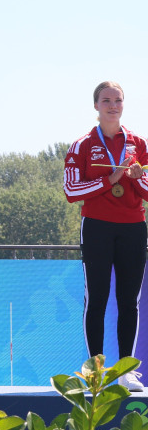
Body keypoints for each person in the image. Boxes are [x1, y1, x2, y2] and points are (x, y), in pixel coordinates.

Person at [64, 81, 148, 391]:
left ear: (123, 105)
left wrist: (137, 179)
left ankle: (126, 371)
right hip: (97, 226)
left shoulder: (139, 143)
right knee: (96, 299)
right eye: (106, 100)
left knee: (129, 302)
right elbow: (71, 191)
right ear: (96, 106)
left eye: (118, 100)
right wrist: (109, 179)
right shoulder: (82, 145)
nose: (113, 106)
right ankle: (95, 372)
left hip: (133, 226)